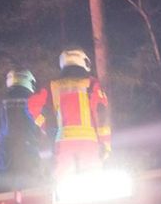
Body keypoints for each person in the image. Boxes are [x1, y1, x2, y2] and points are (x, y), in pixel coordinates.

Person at [27, 48, 112, 176]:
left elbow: (32, 105)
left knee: (62, 182)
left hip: (62, 143)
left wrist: (45, 125)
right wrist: (105, 144)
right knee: (93, 182)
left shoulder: (52, 85)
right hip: (89, 143)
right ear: (84, 62)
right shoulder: (92, 84)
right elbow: (102, 115)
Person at [0, 69, 47, 191]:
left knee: (1, 190)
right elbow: (42, 128)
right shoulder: (34, 99)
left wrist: (4, 141)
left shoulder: (1, 100)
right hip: (28, 151)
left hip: (6, 153)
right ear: (29, 81)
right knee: (33, 189)